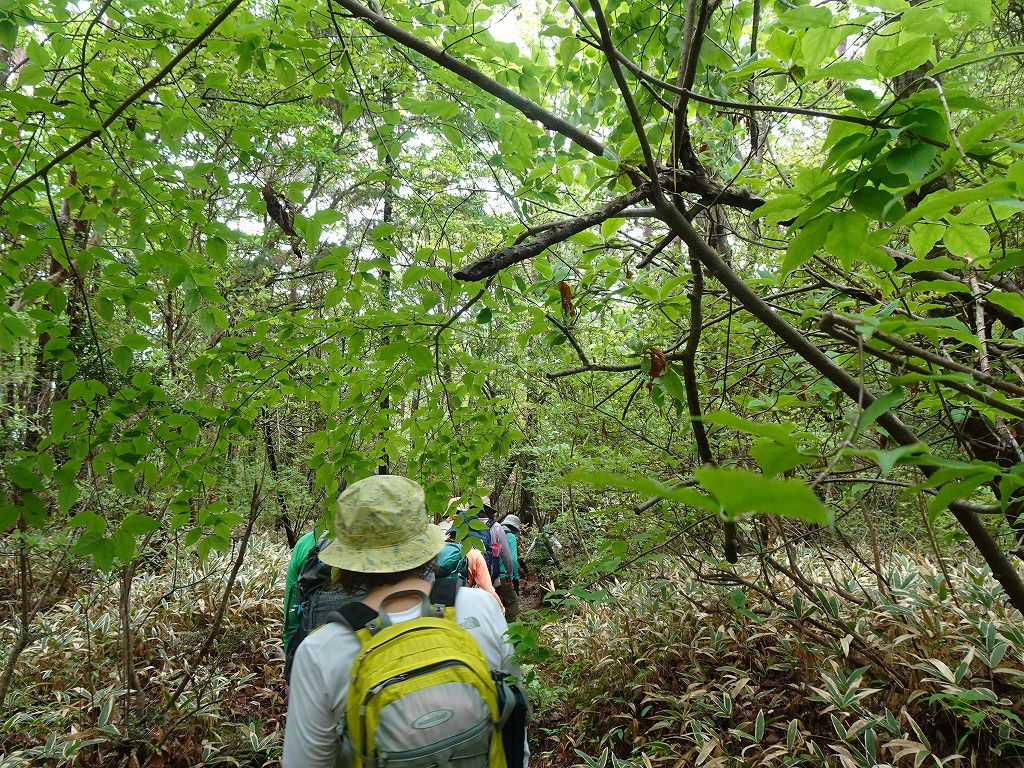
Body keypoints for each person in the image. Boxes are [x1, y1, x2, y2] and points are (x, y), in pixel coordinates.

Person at [282, 475, 526, 768]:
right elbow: (515, 733)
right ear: (426, 545)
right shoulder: (481, 608)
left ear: (345, 559)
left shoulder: (321, 651)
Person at [438, 520, 505, 613]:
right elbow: (488, 591)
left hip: (435, 606)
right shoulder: (474, 555)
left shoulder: (436, 550)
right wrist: (501, 610)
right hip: (460, 606)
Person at [283, 528, 320, 651]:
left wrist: (290, 655)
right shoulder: (366, 548)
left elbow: (291, 619)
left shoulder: (305, 543)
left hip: (311, 647)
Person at [496, 515, 522, 622]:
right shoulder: (510, 536)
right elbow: (513, 560)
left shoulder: (494, 533)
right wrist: (515, 577)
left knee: (497, 602)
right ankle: (509, 627)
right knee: (512, 602)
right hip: (504, 575)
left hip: (491, 576)